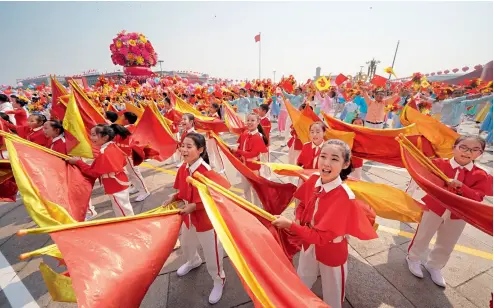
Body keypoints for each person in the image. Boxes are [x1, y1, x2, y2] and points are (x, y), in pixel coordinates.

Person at [272, 139, 378, 307]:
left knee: (333, 295)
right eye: (323, 156)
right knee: (302, 281)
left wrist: (291, 226)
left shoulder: (345, 197)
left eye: (335, 159)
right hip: (308, 243)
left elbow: (322, 237)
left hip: (331, 250)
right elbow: (302, 203)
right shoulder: (314, 178)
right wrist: (298, 217)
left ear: (345, 164)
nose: (326, 163)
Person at [406, 135, 490, 287]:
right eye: (463, 147)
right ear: (454, 148)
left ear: (480, 154)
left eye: (474, 149)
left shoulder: (481, 175)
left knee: (447, 242)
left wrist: (461, 187)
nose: (467, 152)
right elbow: (425, 180)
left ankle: (435, 265)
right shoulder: (437, 164)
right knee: (423, 234)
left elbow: (478, 197)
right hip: (435, 207)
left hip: (459, 214)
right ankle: (413, 258)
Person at [164, 132, 227, 304]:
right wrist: (175, 197)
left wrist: (195, 206)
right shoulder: (184, 168)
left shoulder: (206, 171)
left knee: (212, 252)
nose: (183, 149)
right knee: (186, 244)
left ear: (200, 150)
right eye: (182, 145)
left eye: (189, 146)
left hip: (206, 220)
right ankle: (193, 261)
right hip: (188, 216)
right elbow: (183, 190)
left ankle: (218, 279)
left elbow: (215, 195)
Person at [67, 124, 135, 217]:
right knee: (123, 207)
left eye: (94, 135)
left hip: (114, 183)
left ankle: (130, 227)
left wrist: (78, 162)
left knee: (123, 210)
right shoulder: (111, 145)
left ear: (105, 137)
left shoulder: (104, 151)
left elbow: (93, 172)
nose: (91, 137)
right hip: (118, 180)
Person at [231, 113, 268, 207]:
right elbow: (239, 145)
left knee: (255, 190)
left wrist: (238, 150)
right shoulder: (244, 133)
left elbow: (253, 154)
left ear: (258, 122)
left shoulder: (258, 137)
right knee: (246, 188)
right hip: (244, 165)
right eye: (248, 120)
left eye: (252, 120)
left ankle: (257, 208)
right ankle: (249, 206)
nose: (250, 122)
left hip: (254, 168)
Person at [118, 111, 150, 202]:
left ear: (126, 120)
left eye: (122, 117)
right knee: (131, 173)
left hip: (129, 154)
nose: (121, 118)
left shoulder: (127, 129)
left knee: (135, 173)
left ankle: (145, 191)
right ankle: (136, 187)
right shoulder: (128, 128)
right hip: (126, 154)